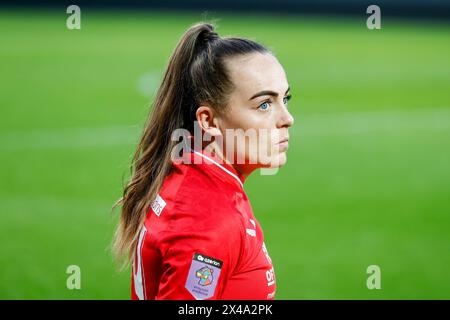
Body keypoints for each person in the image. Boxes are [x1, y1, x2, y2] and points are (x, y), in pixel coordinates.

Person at [113, 22, 294, 300]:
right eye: (264, 105)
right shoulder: (208, 219)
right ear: (208, 121)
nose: (286, 119)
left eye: (285, 99)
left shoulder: (197, 180)